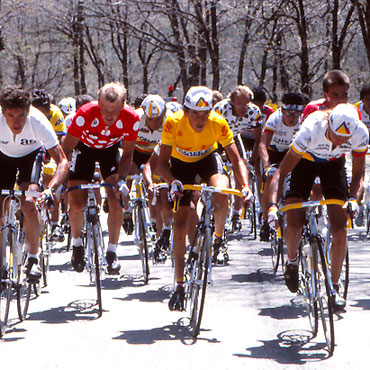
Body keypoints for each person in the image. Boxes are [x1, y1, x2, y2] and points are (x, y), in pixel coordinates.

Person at [158, 86, 252, 311]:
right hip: (180, 165)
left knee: (221, 192)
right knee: (180, 223)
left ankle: (218, 238)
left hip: (208, 159)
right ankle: (179, 286)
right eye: (195, 114)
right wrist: (172, 181)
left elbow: (236, 159)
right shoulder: (173, 121)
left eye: (205, 114)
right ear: (185, 110)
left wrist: (246, 186)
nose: (201, 120)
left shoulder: (218, 122)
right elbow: (161, 164)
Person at [268, 103, 369, 312]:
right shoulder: (311, 129)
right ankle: (292, 260)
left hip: (334, 165)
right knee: (294, 224)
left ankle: (333, 286)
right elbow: (281, 173)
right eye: (336, 136)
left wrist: (353, 199)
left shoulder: (360, 133)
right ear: (328, 125)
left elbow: (358, 174)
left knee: (340, 228)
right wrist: (271, 206)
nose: (340, 141)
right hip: (303, 163)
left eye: (345, 138)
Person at [62, 82, 140, 275]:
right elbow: (66, 149)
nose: (109, 115)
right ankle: (77, 244)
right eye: (104, 109)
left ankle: (112, 252)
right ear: (98, 102)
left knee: (116, 199)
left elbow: (128, 154)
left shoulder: (132, 118)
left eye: (114, 110)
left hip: (109, 151)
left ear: (123, 105)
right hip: (83, 150)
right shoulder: (85, 114)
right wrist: (64, 180)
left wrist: (121, 179)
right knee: (77, 202)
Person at [0, 86, 69, 281]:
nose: (16, 121)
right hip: (2, 157)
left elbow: (63, 161)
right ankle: (2, 262)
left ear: (28, 111)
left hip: (30, 156)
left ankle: (32, 258)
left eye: (21, 115)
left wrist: (50, 190)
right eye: (10, 115)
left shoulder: (38, 121)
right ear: (2, 112)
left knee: (29, 203)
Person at [258, 92, 308, 241]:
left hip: (292, 152)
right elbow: (262, 145)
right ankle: (267, 219)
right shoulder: (275, 118)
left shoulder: (304, 121)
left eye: (296, 113)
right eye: (288, 113)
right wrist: (267, 166)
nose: (292, 117)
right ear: (282, 110)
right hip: (273, 152)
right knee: (271, 179)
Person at [213, 85, 262, 232]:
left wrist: (252, 162)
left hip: (233, 137)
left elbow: (258, 139)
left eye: (246, 104)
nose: (243, 108)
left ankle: (236, 212)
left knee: (241, 172)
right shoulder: (220, 108)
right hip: (216, 138)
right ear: (232, 101)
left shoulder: (254, 112)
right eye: (239, 104)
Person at [32, 89, 67, 242]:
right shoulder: (26, 115)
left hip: (50, 147)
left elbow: (60, 141)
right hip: (31, 146)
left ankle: (54, 224)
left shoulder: (56, 114)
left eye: (45, 113)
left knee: (50, 178)